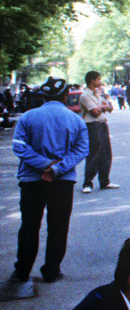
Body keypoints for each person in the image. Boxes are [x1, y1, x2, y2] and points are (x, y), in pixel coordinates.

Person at [11, 77, 89, 283]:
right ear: (65, 96)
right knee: (58, 226)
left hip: (31, 180)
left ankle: (23, 270)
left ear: (43, 97)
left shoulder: (27, 118)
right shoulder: (76, 120)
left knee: (29, 225)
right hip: (63, 181)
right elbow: (82, 149)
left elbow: (19, 146)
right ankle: (52, 270)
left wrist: (42, 164)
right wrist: (57, 168)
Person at [77, 71, 118, 194]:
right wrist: (103, 107)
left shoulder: (97, 95)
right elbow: (94, 112)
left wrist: (103, 107)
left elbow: (109, 107)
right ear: (92, 80)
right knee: (94, 153)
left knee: (106, 153)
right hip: (92, 126)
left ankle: (105, 181)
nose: (100, 82)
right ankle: (87, 183)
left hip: (102, 124)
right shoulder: (85, 95)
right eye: (98, 79)